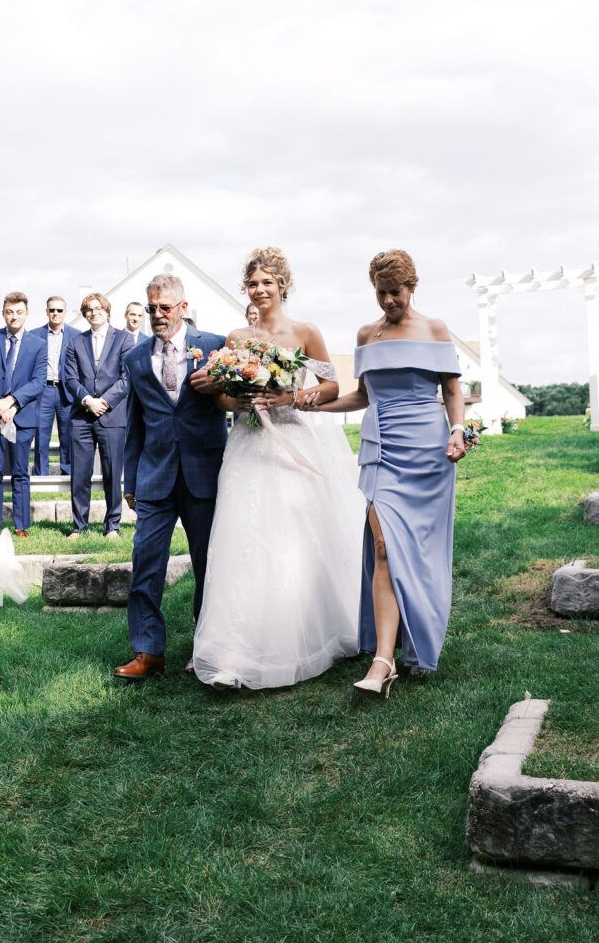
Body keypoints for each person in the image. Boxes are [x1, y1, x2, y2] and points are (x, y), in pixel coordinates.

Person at [192, 248, 363, 690]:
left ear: (283, 286)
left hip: (291, 438)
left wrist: (286, 398)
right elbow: (220, 399)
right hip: (248, 442)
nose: (260, 290)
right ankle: (234, 650)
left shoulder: (305, 332)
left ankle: (297, 636)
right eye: (253, 284)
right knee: (242, 538)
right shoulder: (235, 339)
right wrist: (240, 400)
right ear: (245, 290)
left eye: (268, 282)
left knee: (290, 538)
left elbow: (330, 386)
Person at [315, 249, 467, 696]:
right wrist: (317, 402)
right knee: (383, 548)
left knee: (417, 551)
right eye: (381, 293)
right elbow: (362, 396)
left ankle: (418, 640)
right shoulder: (366, 334)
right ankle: (383, 661)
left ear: (412, 288)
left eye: (395, 293)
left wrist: (457, 430)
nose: (388, 302)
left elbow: (452, 391)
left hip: (428, 448)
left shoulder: (434, 329)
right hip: (381, 448)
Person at [114, 274, 227, 681]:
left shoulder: (215, 346)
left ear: (183, 307)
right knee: (145, 560)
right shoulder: (135, 358)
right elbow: (136, 424)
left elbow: (229, 402)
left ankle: (208, 646)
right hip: (155, 474)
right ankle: (147, 651)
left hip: (204, 471)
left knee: (207, 563)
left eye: (165, 307)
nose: (157, 315)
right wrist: (130, 480)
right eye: (151, 308)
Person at [0, 292, 47, 537]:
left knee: (20, 473)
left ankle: (21, 525)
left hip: (22, 416)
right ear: (3, 313)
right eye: (9, 312)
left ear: (26, 314)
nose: (14, 316)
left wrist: (12, 403)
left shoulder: (38, 344)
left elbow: (38, 382)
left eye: (19, 312)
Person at [63, 292, 133, 540]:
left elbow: (127, 378)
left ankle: (112, 525)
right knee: (79, 474)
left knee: (112, 473)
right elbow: (69, 378)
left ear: (107, 311)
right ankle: (79, 526)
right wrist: (87, 400)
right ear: (85, 314)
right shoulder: (75, 342)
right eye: (89, 310)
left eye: (98, 308)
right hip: (81, 416)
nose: (94, 313)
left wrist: (103, 402)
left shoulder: (124, 339)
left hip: (112, 416)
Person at [30, 296, 81, 475]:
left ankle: (68, 474)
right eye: (52, 310)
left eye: (59, 310)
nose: (55, 313)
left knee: (67, 435)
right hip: (43, 390)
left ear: (65, 312)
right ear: (46, 312)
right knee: (40, 435)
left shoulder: (76, 335)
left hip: (66, 391)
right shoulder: (35, 335)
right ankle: (41, 476)